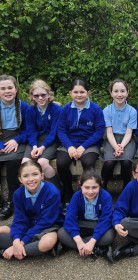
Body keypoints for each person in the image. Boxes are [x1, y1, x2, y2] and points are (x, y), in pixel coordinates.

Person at [0, 160, 64, 260]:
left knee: (47, 243)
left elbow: (45, 222)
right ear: (20, 179)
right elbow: (20, 220)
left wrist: (21, 242)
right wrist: (17, 240)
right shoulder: (18, 194)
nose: (31, 179)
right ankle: (21, 248)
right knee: (2, 230)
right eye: (26, 176)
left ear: (42, 176)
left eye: (35, 174)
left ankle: (11, 251)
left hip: (49, 226)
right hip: (28, 223)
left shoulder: (52, 192)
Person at [56, 79, 105, 204]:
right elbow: (61, 130)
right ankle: (68, 191)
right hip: (69, 143)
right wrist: (70, 147)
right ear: (70, 93)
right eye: (75, 92)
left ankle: (84, 192)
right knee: (61, 163)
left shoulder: (95, 109)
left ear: (87, 93)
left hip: (89, 144)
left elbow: (99, 131)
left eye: (82, 92)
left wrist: (83, 147)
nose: (79, 95)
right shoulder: (65, 110)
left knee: (88, 162)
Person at [58, 169, 115, 262]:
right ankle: (98, 248)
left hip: (98, 225)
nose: (90, 191)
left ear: (100, 186)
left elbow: (106, 220)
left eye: (94, 187)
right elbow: (69, 218)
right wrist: (78, 241)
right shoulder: (76, 196)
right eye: (86, 187)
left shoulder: (106, 196)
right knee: (61, 232)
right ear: (80, 185)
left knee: (110, 236)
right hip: (82, 225)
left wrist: (92, 241)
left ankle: (78, 247)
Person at [22, 79, 61, 188]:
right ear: (32, 96)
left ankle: (58, 189)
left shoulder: (56, 110)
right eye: (36, 96)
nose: (40, 98)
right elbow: (30, 131)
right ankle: (33, 192)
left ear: (48, 94)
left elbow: (54, 132)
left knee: (42, 162)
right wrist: (34, 146)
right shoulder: (30, 110)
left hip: (51, 141)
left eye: (43, 95)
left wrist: (42, 148)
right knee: (25, 163)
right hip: (35, 141)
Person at [0, 75, 29, 220]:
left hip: (17, 142)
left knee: (13, 165)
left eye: (10, 87)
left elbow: (28, 130)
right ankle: (1, 201)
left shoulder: (23, 107)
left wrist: (16, 140)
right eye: (3, 88)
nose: (7, 91)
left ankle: (11, 201)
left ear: (16, 89)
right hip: (0, 141)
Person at [101, 79, 137, 190]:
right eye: (116, 91)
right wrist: (116, 146)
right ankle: (103, 187)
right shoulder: (107, 111)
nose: (119, 94)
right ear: (111, 93)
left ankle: (126, 189)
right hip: (111, 140)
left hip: (127, 140)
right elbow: (109, 132)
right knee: (109, 163)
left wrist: (121, 146)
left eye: (122, 91)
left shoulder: (132, 111)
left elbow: (129, 132)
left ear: (127, 92)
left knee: (126, 162)